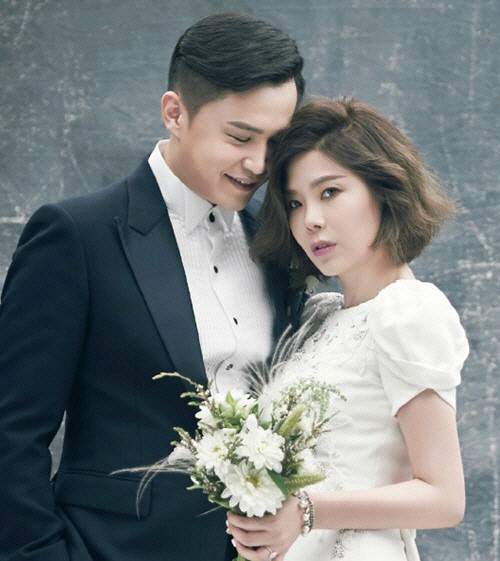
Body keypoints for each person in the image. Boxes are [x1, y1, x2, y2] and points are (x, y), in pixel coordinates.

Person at [0, 13, 304, 561]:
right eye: (240, 137)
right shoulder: (78, 235)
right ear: (174, 113)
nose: (259, 164)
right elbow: (11, 432)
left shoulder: (278, 244)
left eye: (276, 142)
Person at [226, 98, 469, 561]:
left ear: (383, 189)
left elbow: (444, 498)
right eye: (295, 203)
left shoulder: (407, 311)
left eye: (330, 192)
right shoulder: (319, 317)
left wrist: (307, 511)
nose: (310, 220)